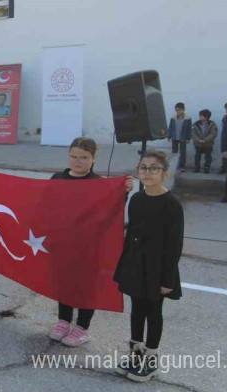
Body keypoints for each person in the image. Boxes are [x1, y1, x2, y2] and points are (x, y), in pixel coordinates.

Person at [48, 137, 135, 347]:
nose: (78, 161)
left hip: (90, 246)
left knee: (86, 286)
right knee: (64, 282)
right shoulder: (57, 178)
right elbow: (45, 205)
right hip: (64, 242)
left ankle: (82, 327)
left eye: (84, 158)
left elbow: (111, 213)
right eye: (74, 156)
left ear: (94, 158)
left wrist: (123, 192)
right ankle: (63, 320)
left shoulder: (99, 183)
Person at [113, 150, 183, 383]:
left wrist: (167, 279)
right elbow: (131, 232)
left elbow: (175, 244)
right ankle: (135, 354)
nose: (148, 172)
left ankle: (151, 360)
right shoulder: (137, 198)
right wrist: (126, 264)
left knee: (154, 311)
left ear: (165, 173)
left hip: (158, 267)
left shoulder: (171, 203)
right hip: (136, 263)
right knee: (137, 310)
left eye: (154, 168)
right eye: (143, 168)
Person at [167, 103, 191, 172]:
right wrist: (168, 136)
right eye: (176, 110)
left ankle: (182, 166)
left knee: (182, 152)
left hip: (183, 138)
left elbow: (189, 129)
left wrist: (188, 138)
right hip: (174, 137)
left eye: (180, 110)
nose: (178, 112)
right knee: (174, 152)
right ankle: (174, 165)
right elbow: (170, 127)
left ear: (183, 110)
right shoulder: (173, 118)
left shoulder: (187, 118)